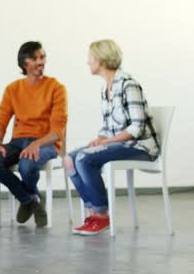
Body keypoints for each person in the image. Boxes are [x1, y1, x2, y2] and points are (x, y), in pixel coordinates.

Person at [64, 39, 160, 235]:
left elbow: (137, 127)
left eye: (90, 58)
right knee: (69, 159)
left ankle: (102, 215)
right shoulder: (106, 89)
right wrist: (101, 137)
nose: (87, 62)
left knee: (85, 158)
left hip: (140, 147)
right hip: (122, 144)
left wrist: (106, 142)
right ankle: (93, 212)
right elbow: (110, 127)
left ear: (100, 59)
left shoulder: (128, 84)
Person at [0, 41, 68, 228]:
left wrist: (37, 144)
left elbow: (57, 132)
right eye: (35, 58)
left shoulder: (56, 88)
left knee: (27, 164)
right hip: (17, 141)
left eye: (42, 57)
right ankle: (30, 199)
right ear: (24, 64)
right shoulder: (12, 89)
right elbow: (1, 122)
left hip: (46, 142)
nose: (41, 62)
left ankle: (27, 199)